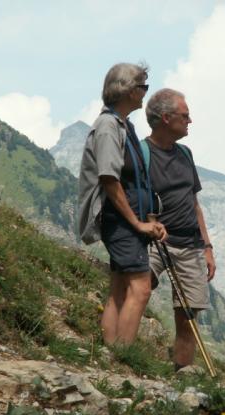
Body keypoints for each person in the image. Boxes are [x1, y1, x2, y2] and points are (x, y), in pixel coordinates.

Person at [77, 63, 166, 345]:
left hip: (131, 219)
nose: (144, 94)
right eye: (143, 87)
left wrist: (149, 218)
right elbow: (109, 179)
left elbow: (136, 179)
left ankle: (109, 354)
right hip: (119, 220)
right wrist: (137, 223)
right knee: (140, 288)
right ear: (127, 90)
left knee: (118, 288)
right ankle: (123, 354)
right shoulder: (107, 127)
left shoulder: (125, 125)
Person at [143, 88, 216, 371]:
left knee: (188, 318)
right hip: (153, 242)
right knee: (136, 293)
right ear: (166, 118)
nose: (190, 121)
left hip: (190, 246)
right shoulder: (141, 153)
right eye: (185, 116)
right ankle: (122, 355)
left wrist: (207, 247)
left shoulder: (186, 154)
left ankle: (182, 376)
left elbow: (194, 204)